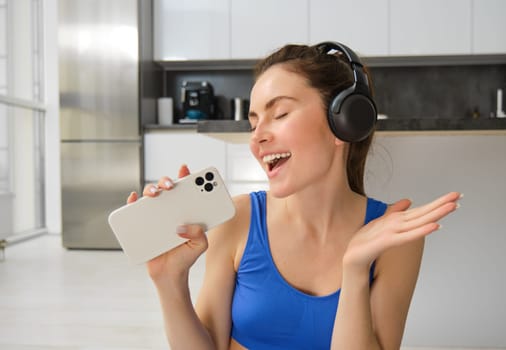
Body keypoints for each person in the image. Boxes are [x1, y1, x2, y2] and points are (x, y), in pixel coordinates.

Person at [127, 42, 461, 350]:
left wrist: (356, 267)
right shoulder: (238, 219)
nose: (257, 138)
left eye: (281, 114)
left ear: (343, 121)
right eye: (254, 123)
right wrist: (169, 282)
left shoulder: (393, 238)